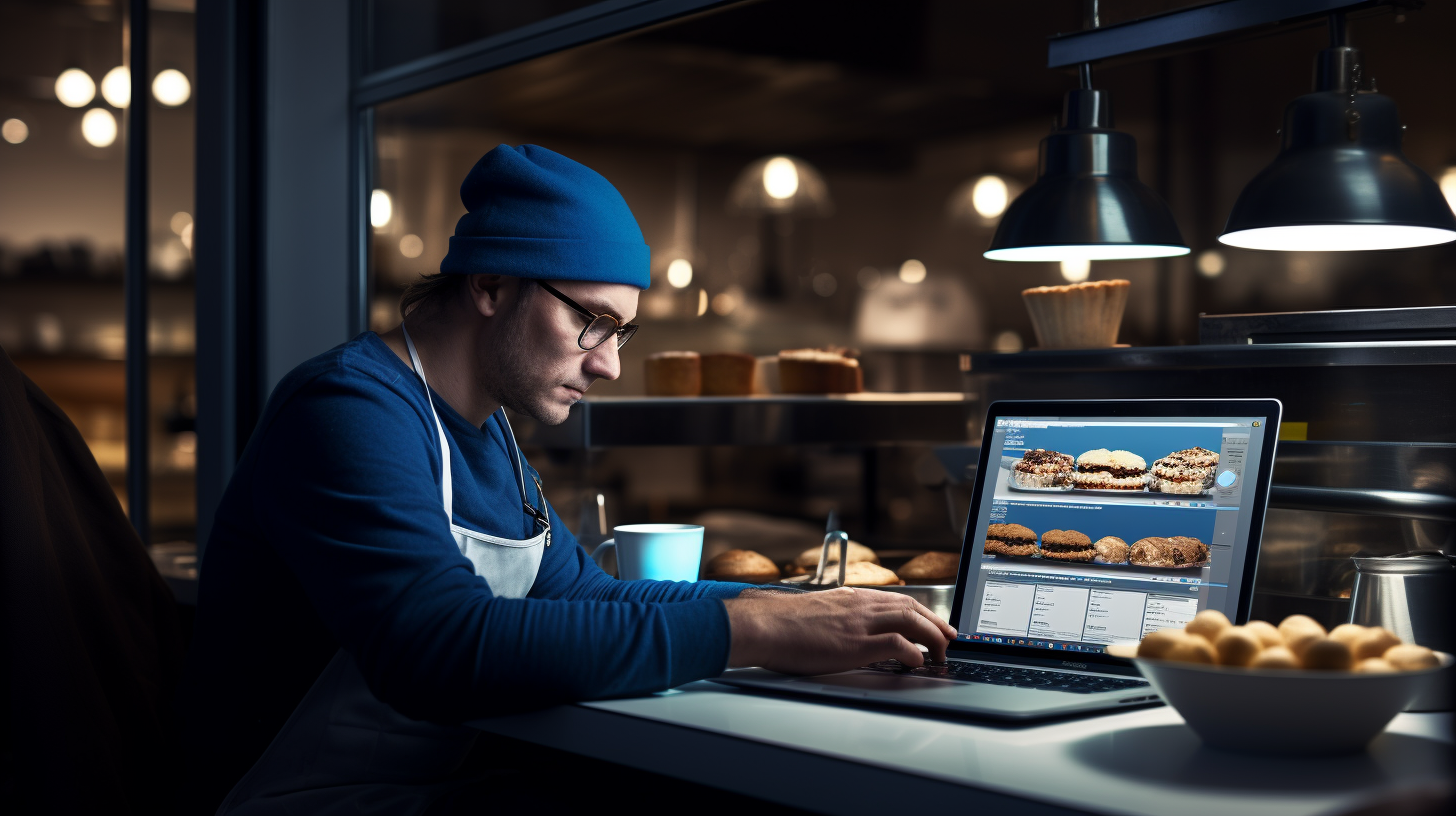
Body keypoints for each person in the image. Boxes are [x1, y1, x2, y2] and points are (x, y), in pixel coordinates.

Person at [177, 144, 954, 814]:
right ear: (489, 283)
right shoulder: (347, 409)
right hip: (300, 802)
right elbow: (436, 647)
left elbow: (585, 596)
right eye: (592, 321)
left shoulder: (490, 435)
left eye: (622, 333)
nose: (609, 363)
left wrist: (804, 612)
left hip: (418, 782)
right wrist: (751, 631)